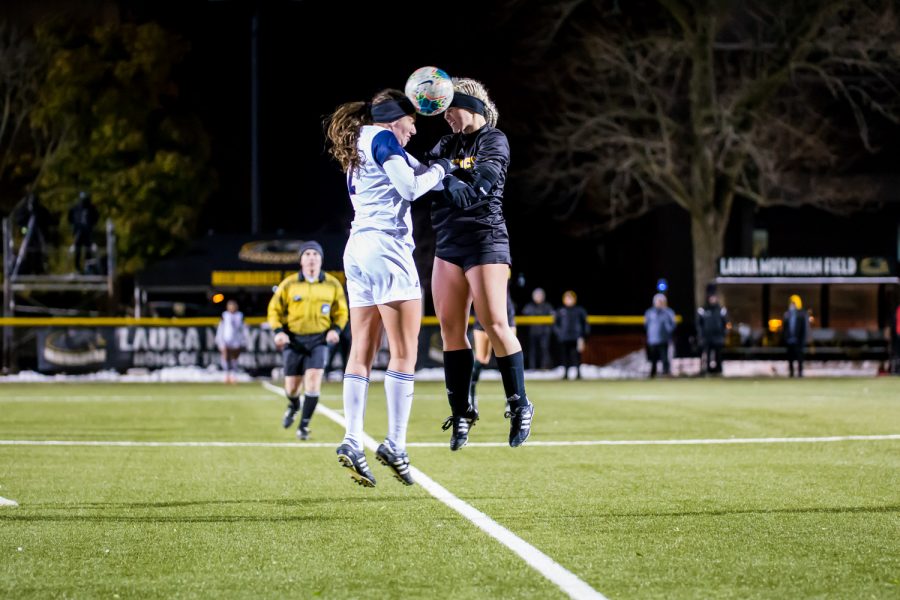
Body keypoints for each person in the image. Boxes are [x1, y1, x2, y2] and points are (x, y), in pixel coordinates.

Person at [325, 88, 448, 486]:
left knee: (361, 353)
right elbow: (412, 188)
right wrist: (444, 171)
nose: (413, 131)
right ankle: (395, 442)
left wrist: (439, 169)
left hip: (357, 249)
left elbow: (415, 167)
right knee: (403, 354)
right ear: (396, 118)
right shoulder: (382, 138)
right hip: (387, 249)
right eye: (412, 122)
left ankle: (351, 438)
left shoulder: (361, 141)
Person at [425, 76, 534, 450]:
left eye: (450, 110)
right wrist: (447, 179)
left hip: (485, 240)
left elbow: (478, 191)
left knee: (494, 323)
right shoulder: (446, 142)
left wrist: (448, 179)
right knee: (451, 330)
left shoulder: (493, 139)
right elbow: (427, 177)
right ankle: (461, 413)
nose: (446, 118)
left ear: (469, 106)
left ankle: (519, 404)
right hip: (448, 243)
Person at [267, 240, 349, 440]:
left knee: (313, 382)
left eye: (315, 255)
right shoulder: (289, 284)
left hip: (319, 340)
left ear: (321, 259)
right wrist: (278, 331)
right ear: (301, 260)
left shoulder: (332, 283)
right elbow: (274, 310)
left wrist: (335, 329)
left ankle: (303, 426)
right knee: (292, 388)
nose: (311, 258)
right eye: (307, 254)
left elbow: (342, 311)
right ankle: (294, 405)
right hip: (294, 340)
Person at [469, 275, 515, 409]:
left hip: (505, 311)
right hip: (484, 310)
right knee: (482, 358)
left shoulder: (503, 257)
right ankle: (470, 393)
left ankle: (512, 398)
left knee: (510, 357)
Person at [13, 192, 53, 275]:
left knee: (38, 252)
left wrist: (43, 231)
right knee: (26, 252)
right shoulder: (24, 210)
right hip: (27, 233)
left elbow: (48, 219)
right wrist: (24, 230)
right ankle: (26, 269)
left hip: (38, 234)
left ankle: (39, 269)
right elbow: (19, 221)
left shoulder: (41, 210)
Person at [554, 290, 590, 379]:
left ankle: (578, 373)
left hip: (576, 337)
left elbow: (585, 323)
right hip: (565, 338)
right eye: (567, 298)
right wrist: (559, 334)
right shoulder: (560, 310)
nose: (568, 300)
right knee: (565, 356)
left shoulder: (579, 310)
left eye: (570, 298)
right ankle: (566, 374)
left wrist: (583, 336)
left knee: (577, 356)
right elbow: (555, 324)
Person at [696, 291, 729, 375]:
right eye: (711, 298)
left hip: (718, 337)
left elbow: (726, 323)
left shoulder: (721, 310)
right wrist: (701, 335)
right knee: (706, 355)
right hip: (706, 337)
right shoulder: (702, 310)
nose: (712, 299)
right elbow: (699, 324)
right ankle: (707, 370)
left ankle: (719, 370)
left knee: (718, 354)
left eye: (714, 298)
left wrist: (724, 334)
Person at [522, 287, 554, 370]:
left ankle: (544, 367)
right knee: (532, 351)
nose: (538, 297)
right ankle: (532, 367)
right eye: (536, 295)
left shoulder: (547, 306)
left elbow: (553, 317)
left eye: (540, 295)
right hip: (532, 332)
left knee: (544, 350)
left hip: (544, 333)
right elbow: (524, 314)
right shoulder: (529, 306)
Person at [644, 293, 676, 377]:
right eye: (658, 301)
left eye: (661, 301)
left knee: (665, 357)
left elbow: (673, 325)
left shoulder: (668, 312)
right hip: (653, 339)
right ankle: (653, 373)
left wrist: (668, 331)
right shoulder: (649, 312)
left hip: (664, 339)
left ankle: (666, 372)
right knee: (653, 358)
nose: (659, 303)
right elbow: (646, 325)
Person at [215, 299, 247, 384]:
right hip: (226, 338)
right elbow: (221, 327)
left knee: (234, 357)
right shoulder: (224, 315)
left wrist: (244, 339)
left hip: (236, 339)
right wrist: (219, 338)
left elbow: (243, 328)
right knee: (225, 355)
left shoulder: (240, 315)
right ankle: (226, 374)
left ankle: (233, 374)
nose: (232, 307)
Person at [68, 191, 99, 273]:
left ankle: (87, 268)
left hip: (88, 233)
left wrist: (91, 226)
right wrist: (74, 227)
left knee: (88, 251)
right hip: (78, 232)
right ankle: (77, 268)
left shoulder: (91, 208)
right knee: (77, 250)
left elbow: (96, 218)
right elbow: (70, 218)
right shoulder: (76, 208)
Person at [783, 294, 808, 377]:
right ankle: (791, 373)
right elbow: (785, 328)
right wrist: (786, 338)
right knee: (790, 358)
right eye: (791, 304)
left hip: (798, 341)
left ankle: (800, 373)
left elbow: (804, 329)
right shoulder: (787, 315)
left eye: (794, 304)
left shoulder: (802, 315)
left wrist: (803, 340)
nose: (792, 306)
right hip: (790, 340)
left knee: (799, 357)